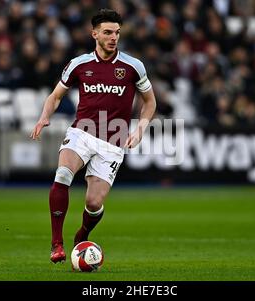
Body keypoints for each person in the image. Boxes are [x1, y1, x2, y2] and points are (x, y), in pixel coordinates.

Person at [30, 9, 156, 264]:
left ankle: (83, 233)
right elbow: (55, 96)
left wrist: (140, 127)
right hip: (82, 132)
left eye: (117, 33)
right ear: (94, 34)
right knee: (63, 174)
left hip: (113, 141)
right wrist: (45, 115)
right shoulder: (80, 64)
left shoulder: (133, 66)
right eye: (108, 32)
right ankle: (57, 244)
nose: (113, 38)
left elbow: (150, 102)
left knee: (94, 202)